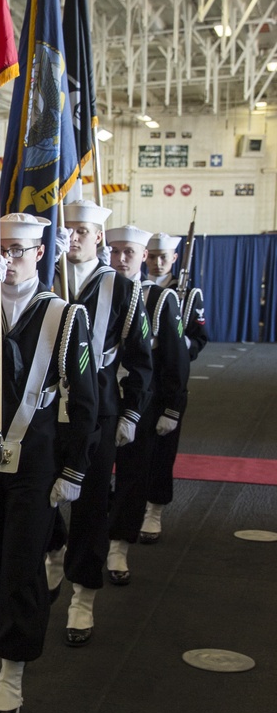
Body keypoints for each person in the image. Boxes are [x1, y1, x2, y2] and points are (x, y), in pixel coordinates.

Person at [0, 214, 98, 713]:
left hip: (37, 455)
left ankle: (10, 677)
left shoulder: (66, 315)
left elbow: (82, 399)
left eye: (21, 249)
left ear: (41, 253)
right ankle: (35, 588)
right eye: (2, 249)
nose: (11, 258)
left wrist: (73, 468)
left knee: (20, 561)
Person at [45, 202, 153, 645]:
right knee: (39, 491)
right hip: (43, 408)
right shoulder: (43, 280)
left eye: (82, 231)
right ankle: (54, 550)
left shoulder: (120, 288)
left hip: (98, 409)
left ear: (98, 238)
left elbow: (141, 358)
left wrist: (131, 411)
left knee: (90, 502)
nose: (72, 237)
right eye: (66, 230)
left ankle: (84, 594)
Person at [105, 226, 186, 584]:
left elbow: (175, 360)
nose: (121, 260)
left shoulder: (159, 299)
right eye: (115, 251)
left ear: (142, 257)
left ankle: (118, 546)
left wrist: (172, 408)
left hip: (143, 402)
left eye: (130, 253)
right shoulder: (98, 292)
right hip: (101, 400)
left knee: (133, 476)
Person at [142, 232, 208, 542]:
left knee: (163, 450)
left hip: (170, 382)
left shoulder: (189, 294)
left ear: (174, 258)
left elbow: (200, 338)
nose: (157, 262)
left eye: (163, 257)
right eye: (152, 256)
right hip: (139, 380)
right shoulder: (134, 288)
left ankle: (155, 509)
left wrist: (179, 344)